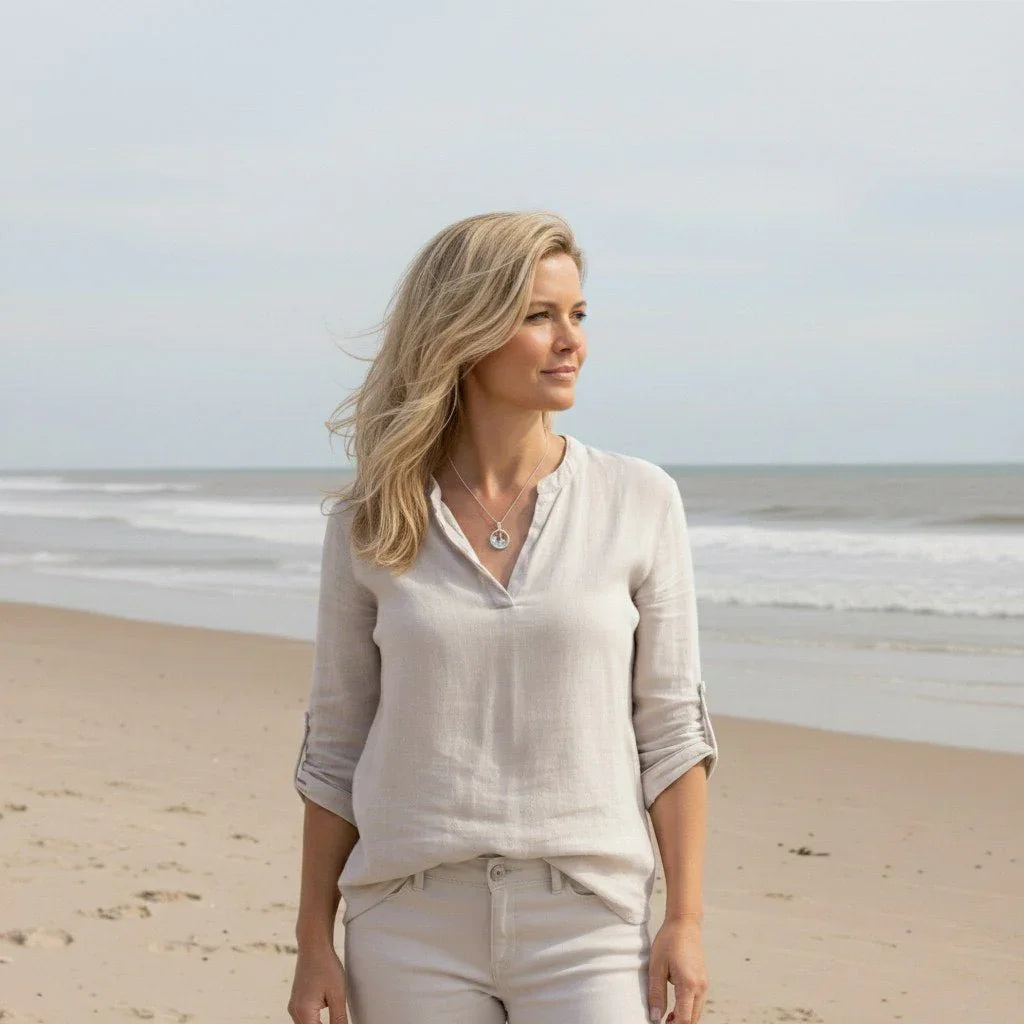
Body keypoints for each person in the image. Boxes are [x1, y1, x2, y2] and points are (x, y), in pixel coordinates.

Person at [287, 210, 719, 1024]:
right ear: (465, 330)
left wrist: (685, 920)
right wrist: (315, 939)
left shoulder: (639, 499)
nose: (571, 340)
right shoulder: (372, 522)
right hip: (408, 920)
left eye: (578, 315)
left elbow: (671, 730)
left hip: (588, 920)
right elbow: (337, 743)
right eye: (538, 315)